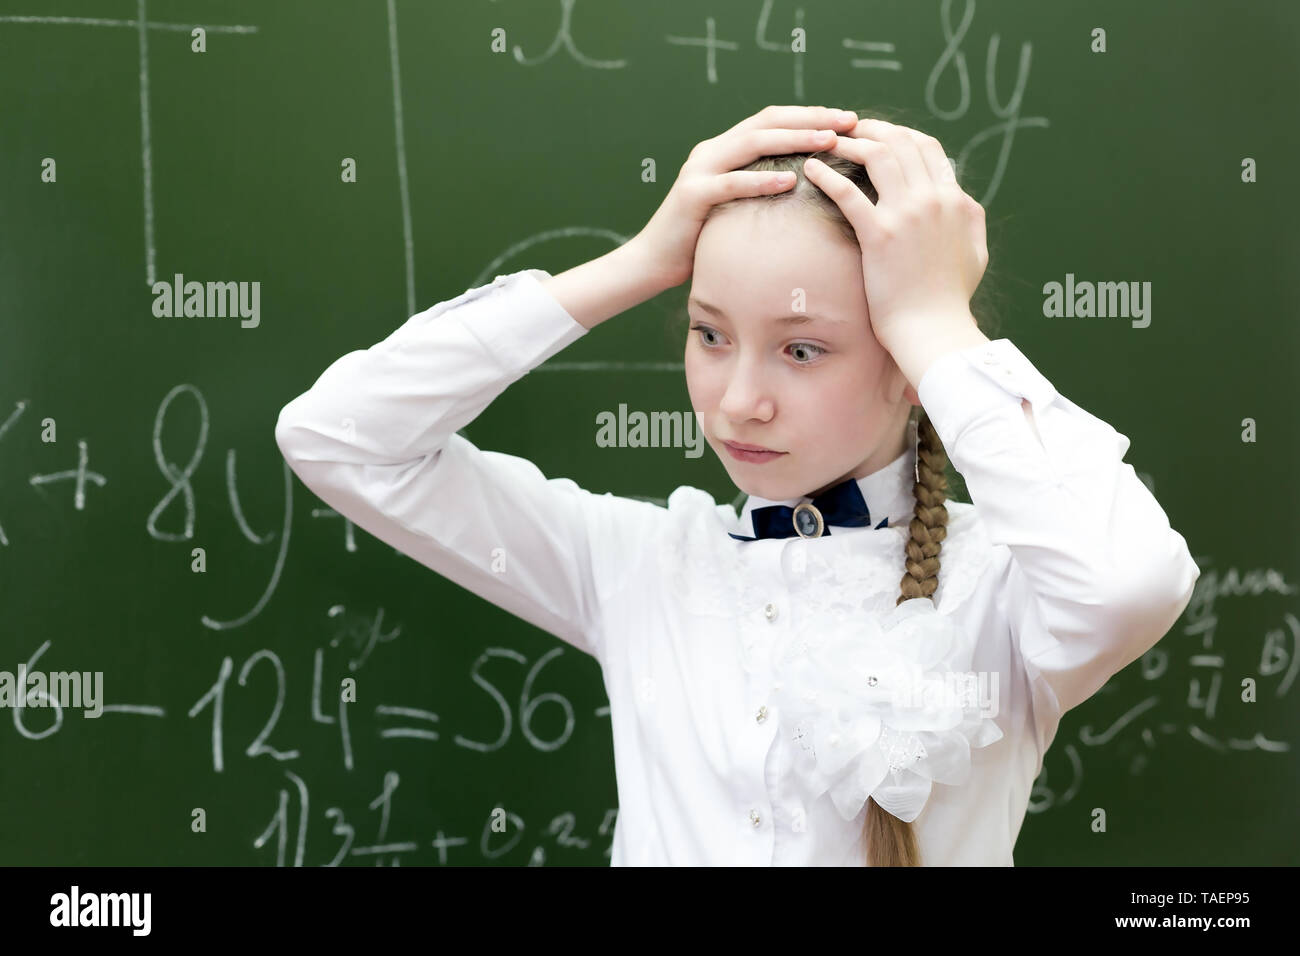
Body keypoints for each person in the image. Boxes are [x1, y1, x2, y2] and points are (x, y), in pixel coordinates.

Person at [275, 104, 1200, 866]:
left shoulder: (1003, 588)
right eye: (709, 334)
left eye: (801, 349)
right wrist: (637, 262)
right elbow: (339, 439)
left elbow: (1132, 582)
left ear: (908, 363)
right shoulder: (638, 564)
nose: (737, 402)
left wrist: (936, 321)